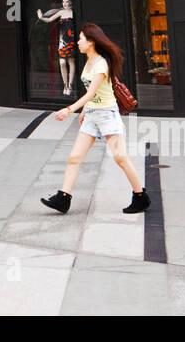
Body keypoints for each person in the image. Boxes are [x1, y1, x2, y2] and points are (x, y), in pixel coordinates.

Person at [40, 22, 151, 215]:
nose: (78, 43)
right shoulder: (89, 61)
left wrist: (70, 109)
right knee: (75, 157)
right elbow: (91, 93)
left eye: (81, 39)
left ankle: (140, 196)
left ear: (91, 42)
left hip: (107, 115)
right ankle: (63, 198)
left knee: (120, 157)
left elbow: (91, 93)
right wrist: (84, 112)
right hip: (92, 115)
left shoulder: (101, 64)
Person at [37, 0, 77, 95]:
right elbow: (50, 20)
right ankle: (65, 85)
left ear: (70, 2)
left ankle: (70, 85)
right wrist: (41, 17)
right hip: (62, 42)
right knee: (62, 63)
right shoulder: (60, 12)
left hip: (71, 41)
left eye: (66, 2)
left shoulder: (74, 13)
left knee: (71, 62)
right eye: (63, 2)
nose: (64, 4)